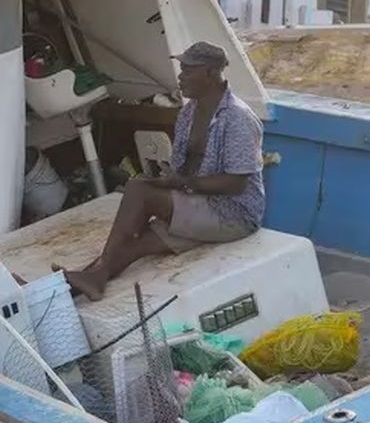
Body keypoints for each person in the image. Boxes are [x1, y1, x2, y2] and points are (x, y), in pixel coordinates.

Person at [64, 41, 265, 301]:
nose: (180, 77)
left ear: (210, 73)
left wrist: (180, 184)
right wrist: (167, 181)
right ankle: (84, 283)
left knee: (139, 192)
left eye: (187, 71)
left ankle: (93, 276)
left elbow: (236, 184)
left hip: (233, 214)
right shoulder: (189, 112)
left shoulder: (238, 118)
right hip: (199, 203)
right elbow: (185, 167)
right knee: (137, 243)